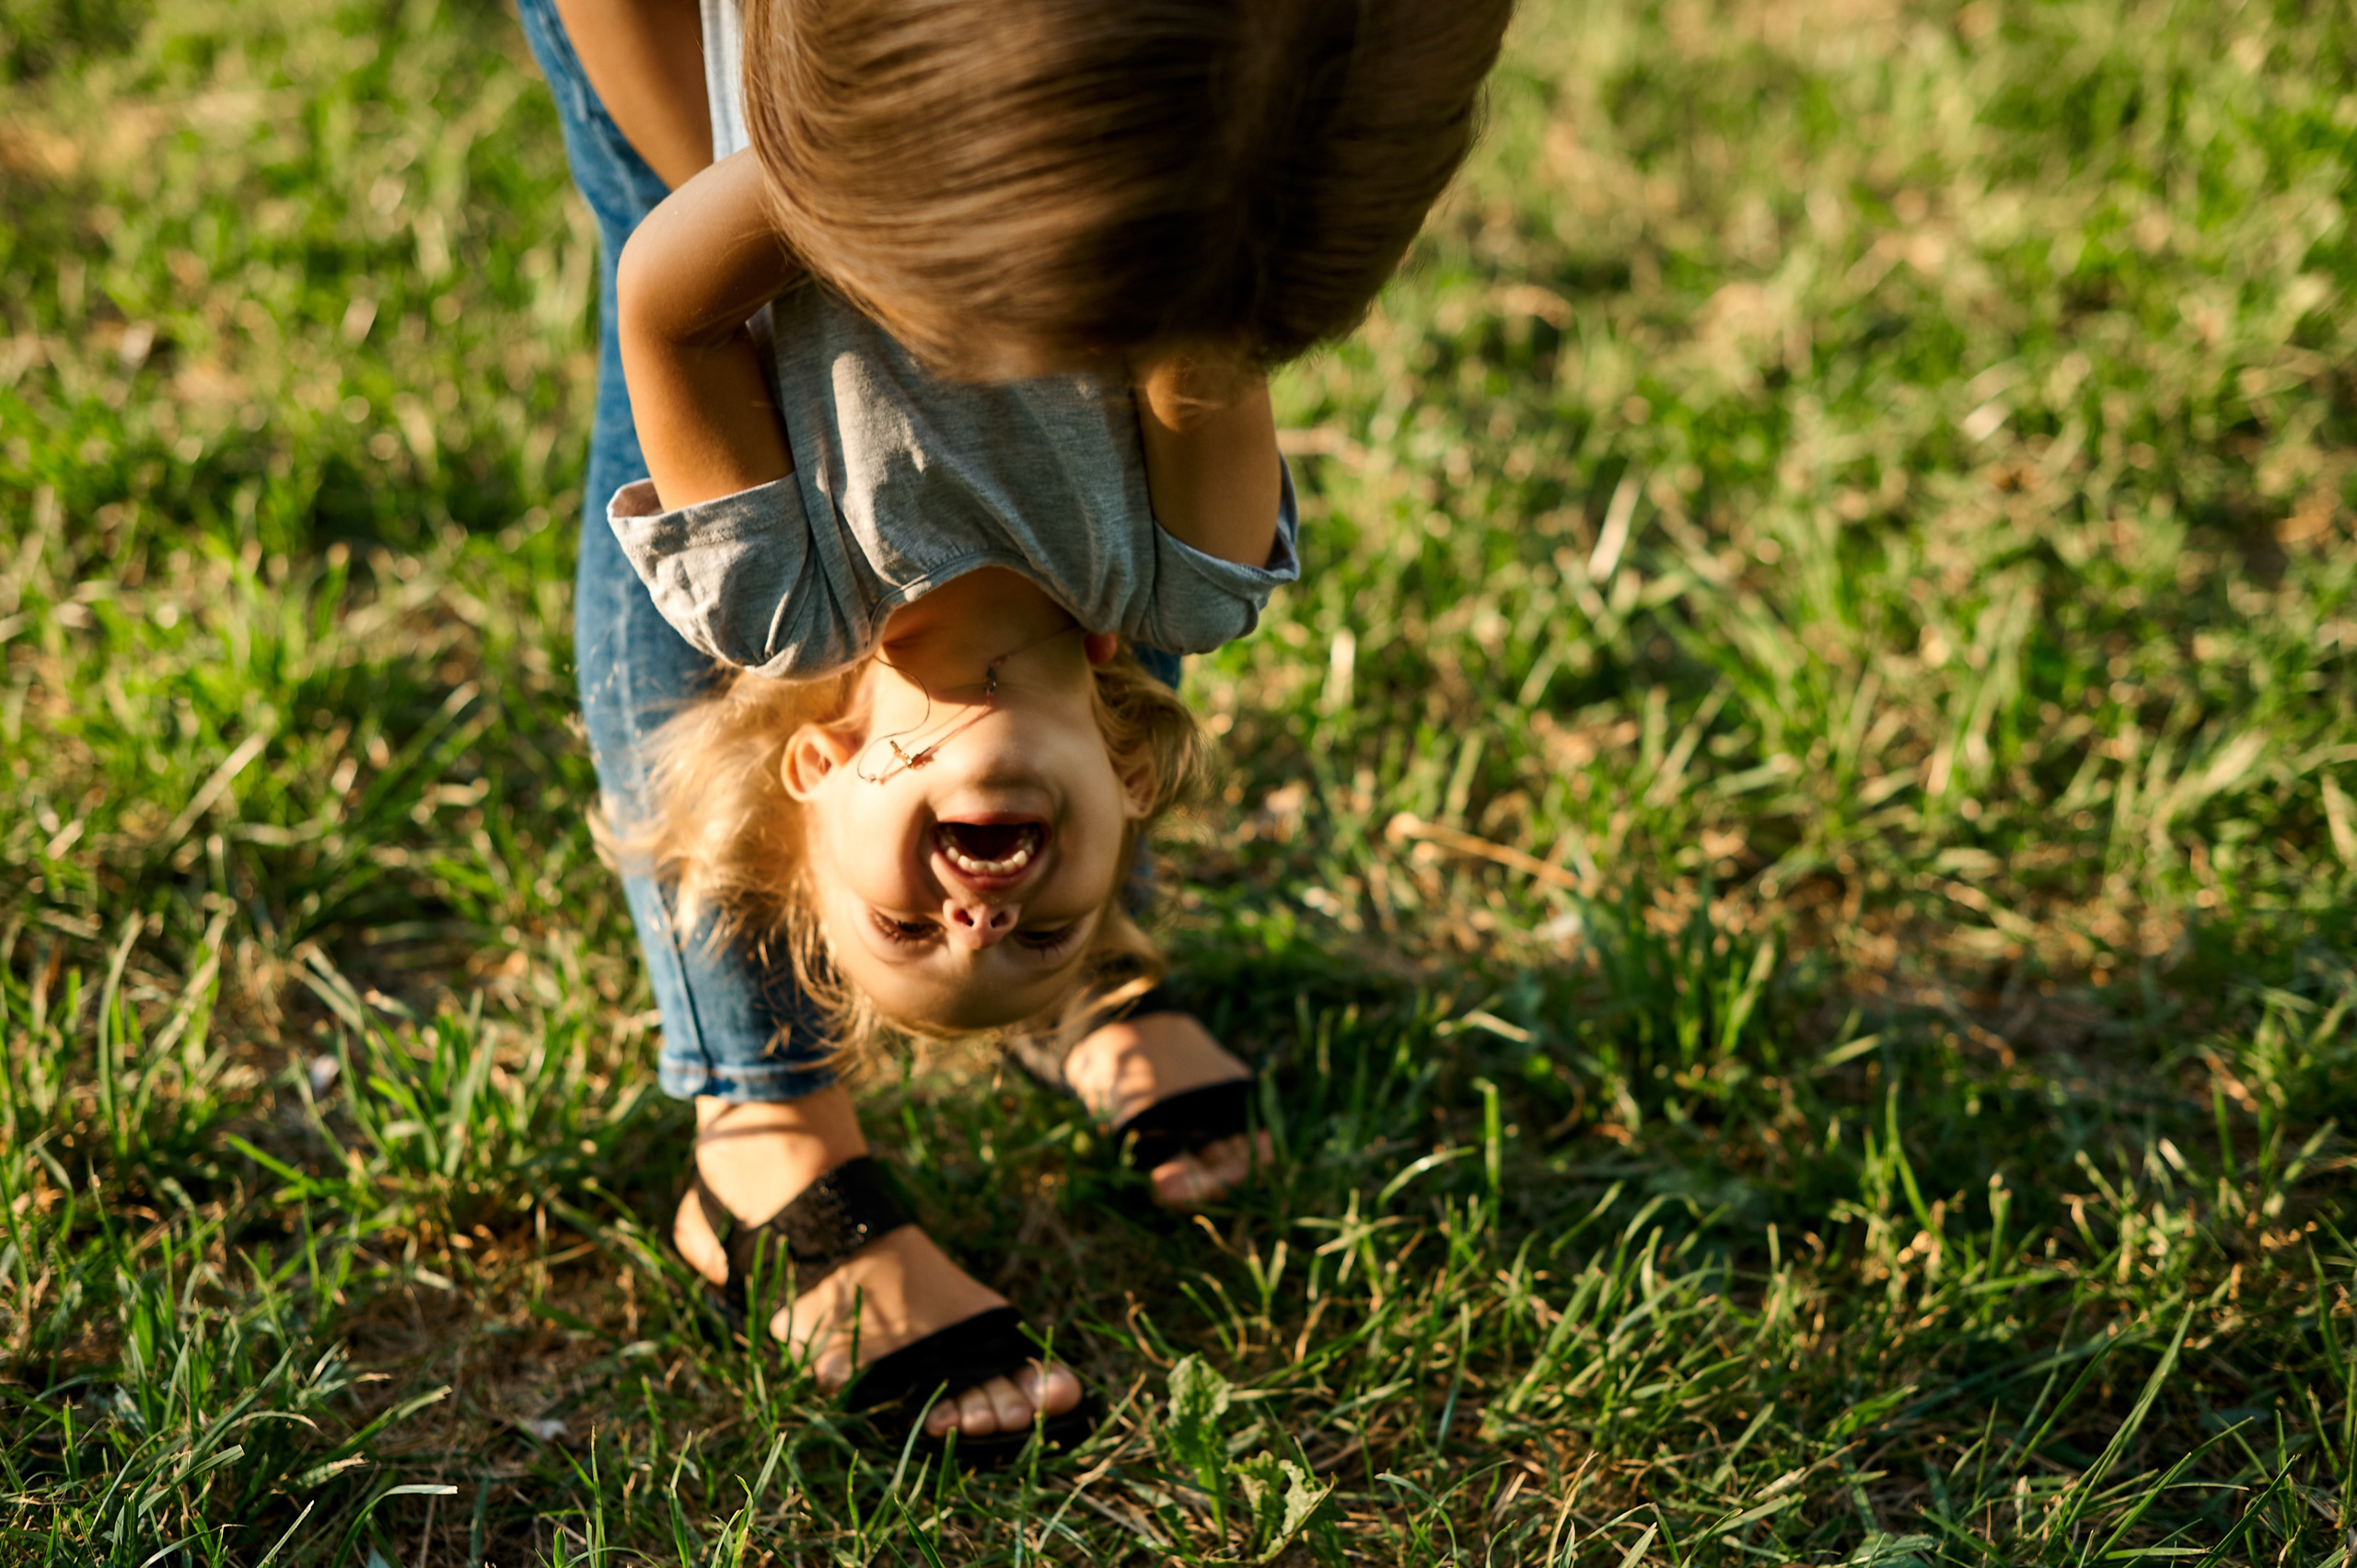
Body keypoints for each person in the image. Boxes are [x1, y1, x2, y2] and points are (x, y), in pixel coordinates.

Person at [517, 0, 1512, 1453]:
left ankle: (765, 1095)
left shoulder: (780, 595)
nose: (979, 920)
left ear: (820, 770)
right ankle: (1046, 1010)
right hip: (1068, 124)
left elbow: (669, 304)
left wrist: (871, 175)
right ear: (1126, 777)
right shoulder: (1184, 582)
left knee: (639, 224)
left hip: (750, 133)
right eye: (1046, 932)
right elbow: (1212, 338)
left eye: (906, 936)